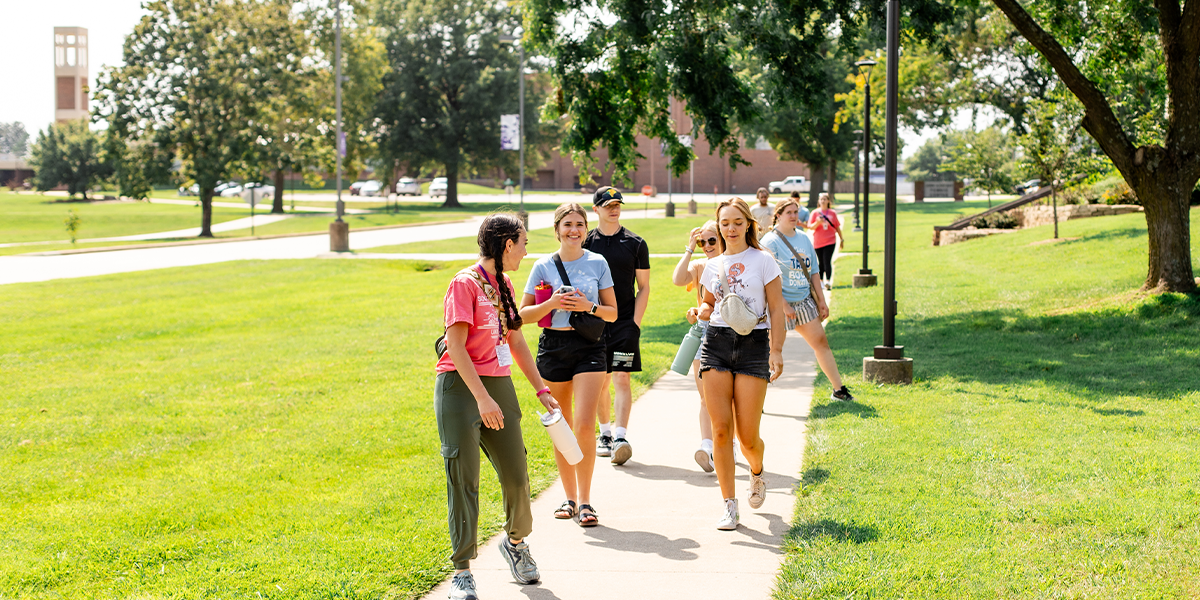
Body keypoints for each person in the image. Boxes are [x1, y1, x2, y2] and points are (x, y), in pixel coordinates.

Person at [435, 213, 562, 600]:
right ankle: (462, 571)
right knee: (464, 479)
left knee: (517, 475)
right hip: (460, 387)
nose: (525, 251)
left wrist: (540, 389)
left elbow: (516, 341)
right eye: (523, 244)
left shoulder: (503, 283)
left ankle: (515, 543)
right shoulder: (464, 283)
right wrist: (482, 398)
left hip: (497, 385)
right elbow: (456, 347)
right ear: (508, 244)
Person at [520, 203, 619, 528]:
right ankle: (570, 498)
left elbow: (612, 313)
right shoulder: (543, 265)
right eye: (567, 224)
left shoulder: (597, 262)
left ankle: (586, 501)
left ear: (586, 229)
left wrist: (587, 305)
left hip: (589, 346)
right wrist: (552, 302)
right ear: (557, 229)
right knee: (560, 426)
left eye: (579, 224)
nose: (573, 230)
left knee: (584, 424)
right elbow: (522, 315)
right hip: (553, 347)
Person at [697, 197, 788, 530]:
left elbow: (776, 308)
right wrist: (700, 311)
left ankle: (757, 472)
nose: (731, 229)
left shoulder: (764, 260)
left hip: (753, 345)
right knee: (721, 431)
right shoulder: (713, 265)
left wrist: (776, 350)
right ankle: (729, 506)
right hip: (716, 343)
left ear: (749, 224)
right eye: (725, 223)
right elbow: (709, 303)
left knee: (748, 437)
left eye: (737, 222)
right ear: (718, 226)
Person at [760, 198, 856, 402]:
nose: (794, 216)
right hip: (779, 305)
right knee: (772, 352)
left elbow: (813, 272)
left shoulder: (803, 238)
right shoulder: (770, 242)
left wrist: (821, 300)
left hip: (804, 301)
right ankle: (757, 399)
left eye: (796, 212)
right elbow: (766, 279)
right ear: (778, 215)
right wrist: (784, 305)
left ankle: (838, 390)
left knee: (821, 343)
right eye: (789, 212)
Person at [584, 186, 650, 467]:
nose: (614, 209)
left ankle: (621, 437)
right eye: (608, 205)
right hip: (595, 322)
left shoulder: (636, 243)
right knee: (601, 380)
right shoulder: (586, 242)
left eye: (617, 204)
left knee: (622, 378)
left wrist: (635, 323)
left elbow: (644, 287)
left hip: (624, 324)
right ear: (596, 209)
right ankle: (605, 434)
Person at [671, 219, 721, 472]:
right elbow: (678, 279)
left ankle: (729, 444)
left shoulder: (736, 263)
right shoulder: (701, 265)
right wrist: (690, 247)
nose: (707, 245)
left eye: (712, 240)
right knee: (705, 397)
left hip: (730, 335)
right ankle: (707, 447)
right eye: (703, 241)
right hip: (704, 334)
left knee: (728, 399)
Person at [806, 192, 846, 290]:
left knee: (827, 260)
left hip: (830, 241)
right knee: (820, 262)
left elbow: (837, 227)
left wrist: (841, 239)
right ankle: (821, 281)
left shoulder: (832, 213)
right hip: (818, 242)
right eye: (821, 199)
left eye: (825, 199)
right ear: (819, 201)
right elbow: (810, 227)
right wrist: (818, 222)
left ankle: (828, 281)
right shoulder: (815, 213)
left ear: (828, 201)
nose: (823, 201)